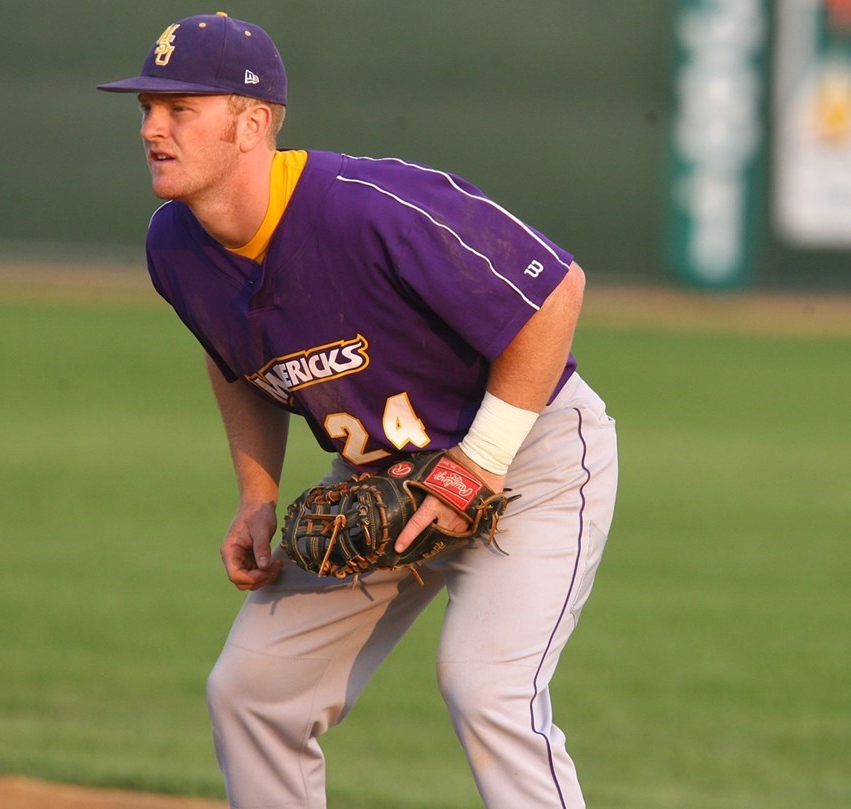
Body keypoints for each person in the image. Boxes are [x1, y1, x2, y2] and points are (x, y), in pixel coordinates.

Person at [98, 12, 618, 808]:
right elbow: (230, 356)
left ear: (253, 123)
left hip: (530, 458)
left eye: (179, 109)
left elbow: (554, 292)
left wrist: (477, 463)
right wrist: (257, 491)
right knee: (253, 690)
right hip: (384, 484)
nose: (152, 129)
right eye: (146, 110)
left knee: (486, 688)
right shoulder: (175, 245)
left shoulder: (365, 207)